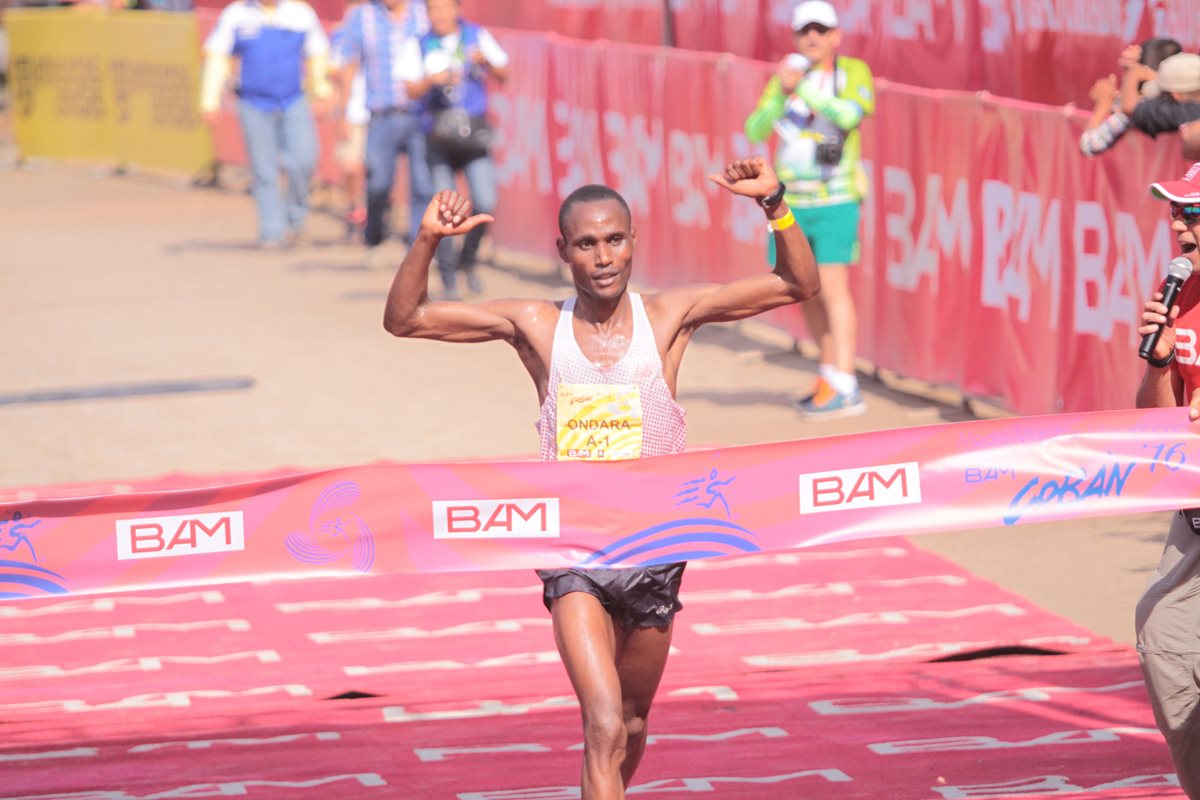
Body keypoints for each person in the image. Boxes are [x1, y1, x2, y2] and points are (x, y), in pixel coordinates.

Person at [382, 156, 820, 799]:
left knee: (635, 722)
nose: (603, 256)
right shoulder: (537, 325)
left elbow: (795, 284)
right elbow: (407, 319)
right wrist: (425, 240)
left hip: (656, 548)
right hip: (576, 553)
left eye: (614, 239)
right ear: (563, 251)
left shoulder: (669, 317)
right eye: (586, 244)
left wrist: (774, 202)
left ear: (634, 242)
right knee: (605, 721)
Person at [744, 0, 873, 419]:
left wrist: (802, 87)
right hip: (791, 202)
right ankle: (829, 373)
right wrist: (780, 94)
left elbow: (850, 115)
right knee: (803, 288)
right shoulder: (785, 76)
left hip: (836, 198)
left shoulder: (851, 72)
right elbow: (756, 128)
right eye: (805, 31)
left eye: (821, 29)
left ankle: (848, 383)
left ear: (836, 35)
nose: (812, 38)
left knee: (834, 286)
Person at [1134, 160, 1200, 799]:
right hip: (1195, 518)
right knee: (1163, 638)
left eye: (1195, 211)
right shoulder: (1184, 293)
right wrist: (1159, 362)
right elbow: (1153, 426)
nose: (1181, 223)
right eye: (1177, 209)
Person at [200, 0, 331, 249]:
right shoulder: (236, 14)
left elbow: (317, 54)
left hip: (294, 100)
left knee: (304, 160)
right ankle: (272, 230)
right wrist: (209, 100)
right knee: (264, 170)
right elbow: (217, 57)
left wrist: (321, 90)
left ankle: (296, 217)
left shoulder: (300, 13)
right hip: (253, 103)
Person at [400, 0, 508, 299]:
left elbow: (505, 72)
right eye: (434, 8)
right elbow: (408, 89)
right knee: (444, 210)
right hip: (437, 139)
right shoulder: (419, 44)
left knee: (485, 200)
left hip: (473, 138)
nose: (441, 14)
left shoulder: (477, 36)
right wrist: (430, 81)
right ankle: (447, 275)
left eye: (446, 8)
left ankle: (468, 261)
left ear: (458, 10)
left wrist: (485, 61)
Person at [334, 0, 431, 261]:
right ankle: (374, 238)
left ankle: (416, 249)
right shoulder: (361, 17)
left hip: (420, 114)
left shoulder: (424, 13)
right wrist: (342, 111)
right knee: (377, 183)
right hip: (381, 114)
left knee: (422, 185)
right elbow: (349, 64)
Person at [1079, 38, 1181, 158]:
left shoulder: (1142, 106)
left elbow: (1089, 145)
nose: (1126, 79)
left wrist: (1103, 105)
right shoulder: (1187, 99)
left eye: (1129, 75)